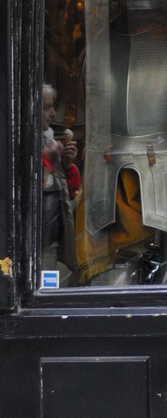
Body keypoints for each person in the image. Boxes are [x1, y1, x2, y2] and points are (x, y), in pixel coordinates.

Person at [42, 83, 78, 284]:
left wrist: (65, 163)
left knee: (48, 283)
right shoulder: (15, 141)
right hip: (31, 240)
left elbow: (68, 192)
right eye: (47, 108)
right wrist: (46, 159)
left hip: (51, 236)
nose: (53, 114)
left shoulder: (47, 140)